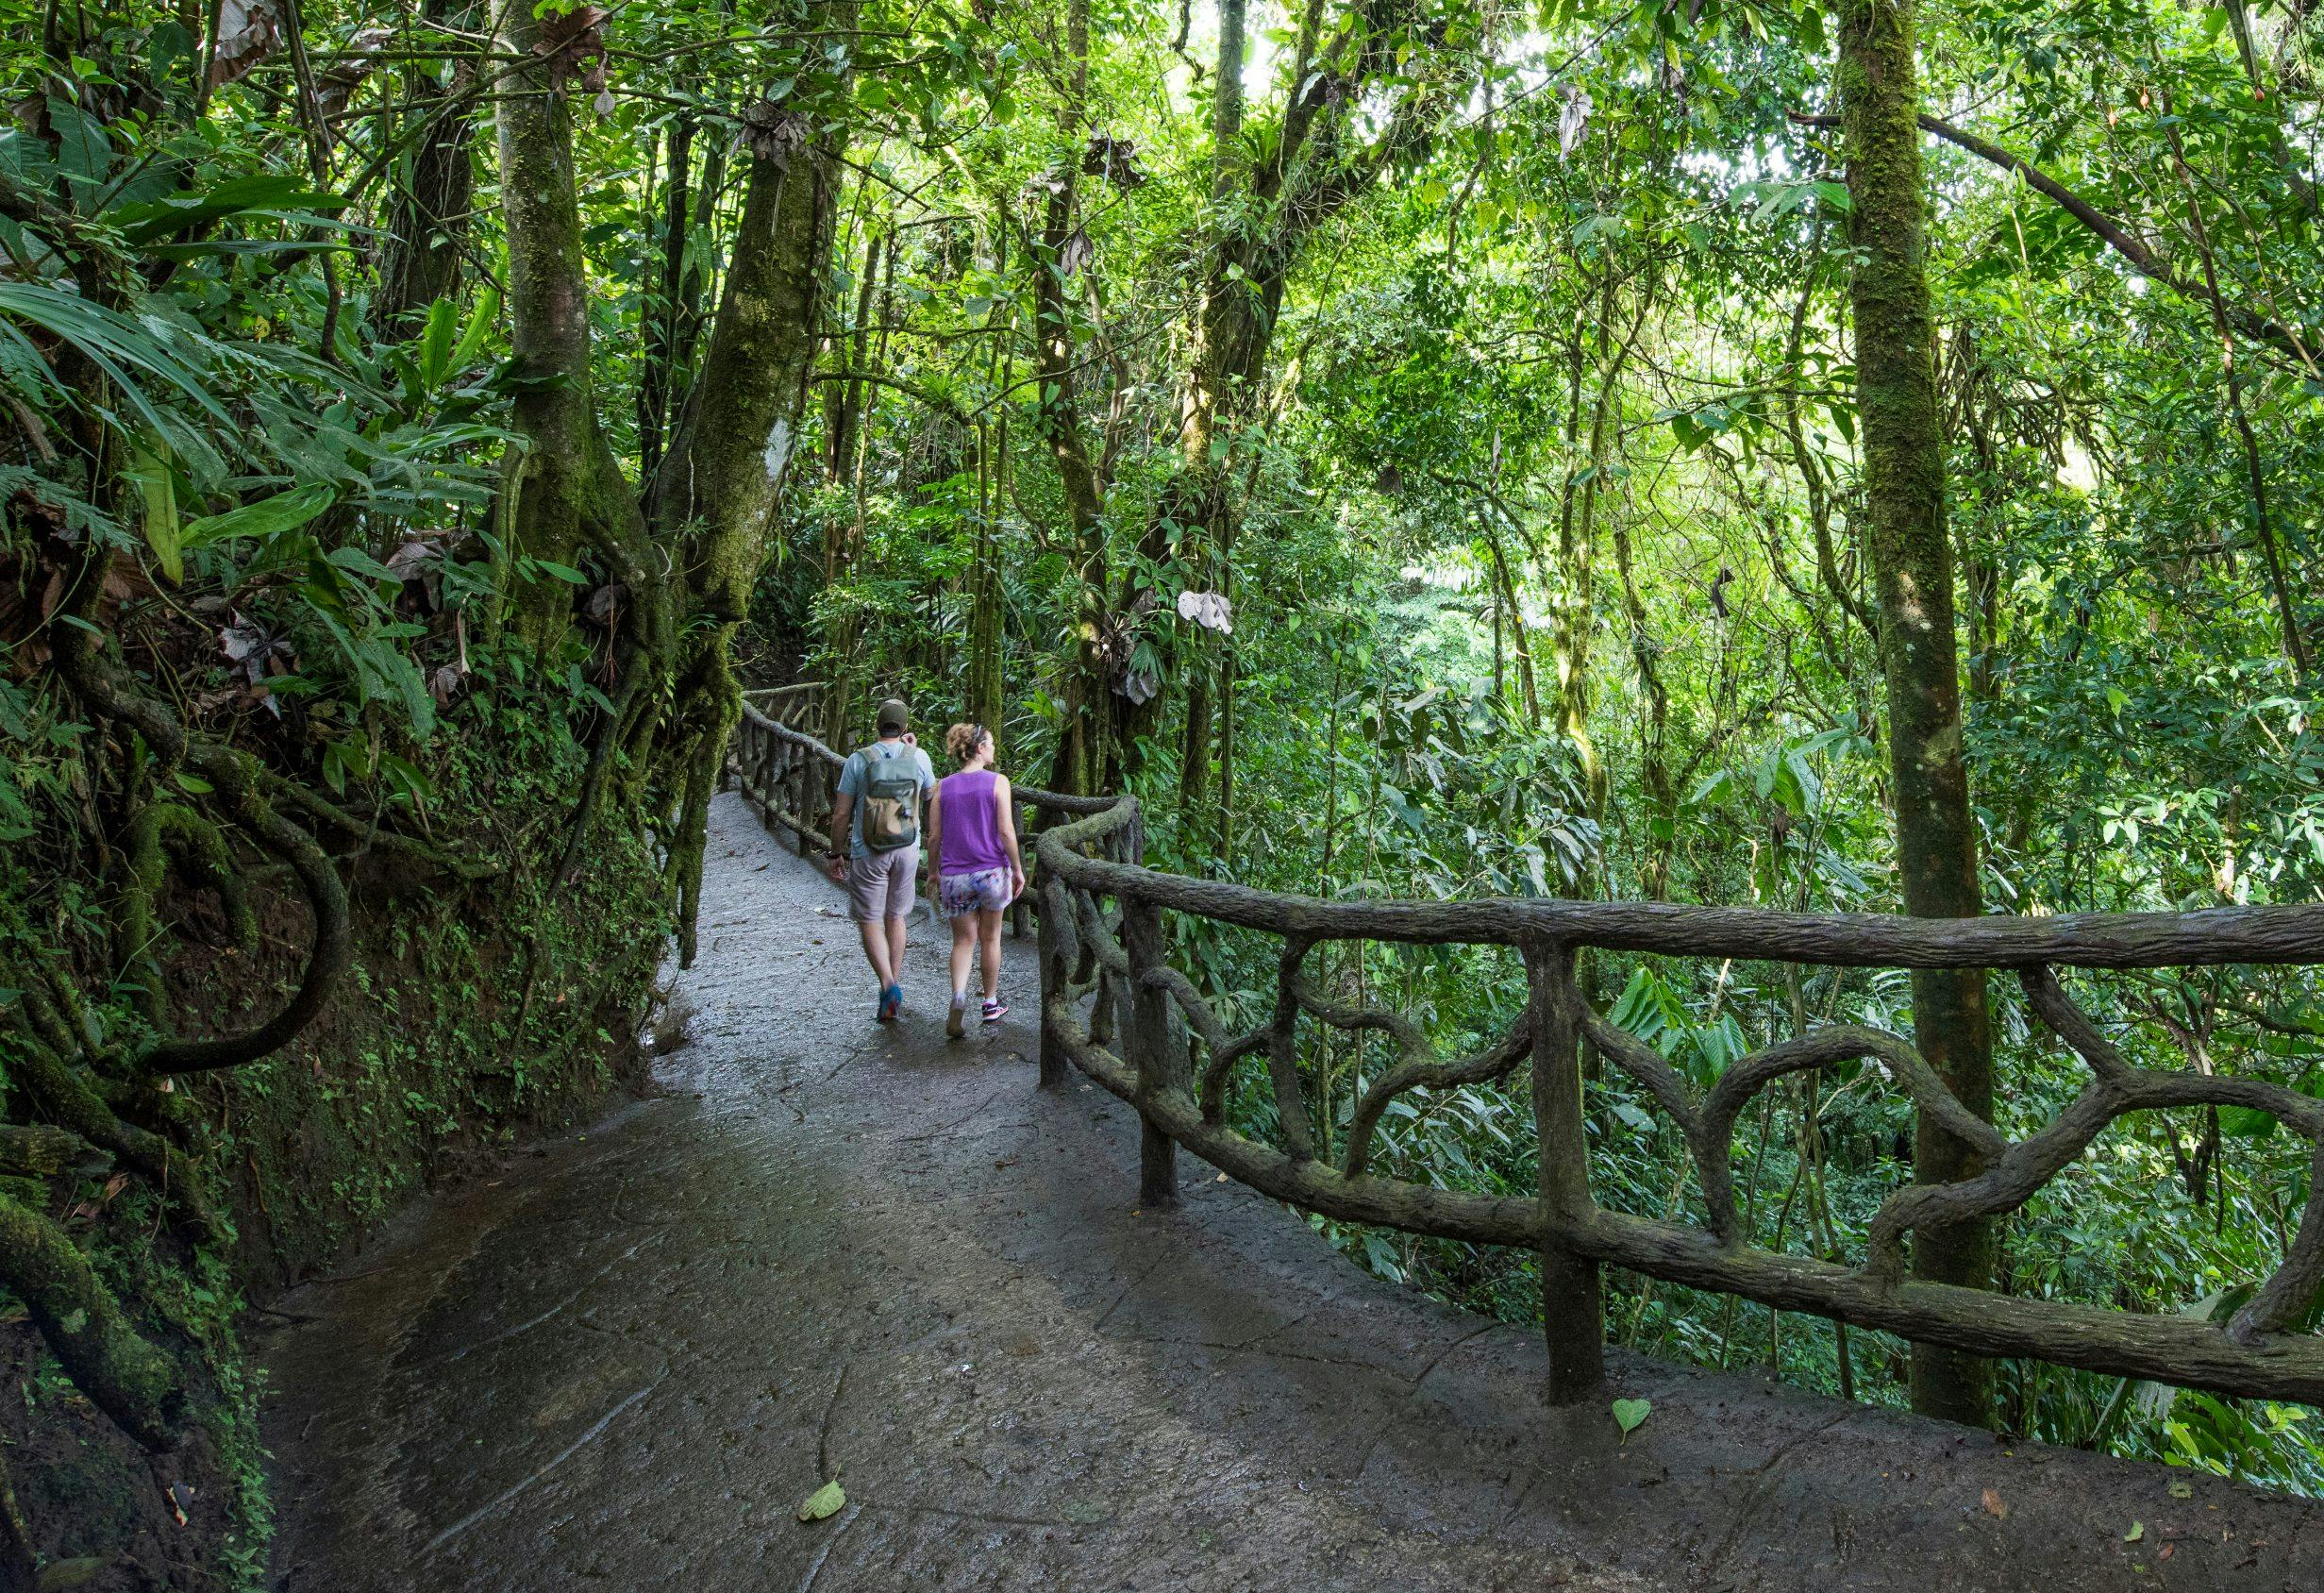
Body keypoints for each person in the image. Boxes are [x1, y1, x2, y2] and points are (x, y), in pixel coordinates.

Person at [827, 697, 936, 1022]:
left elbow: (841, 814)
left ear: (877, 725)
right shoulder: (919, 757)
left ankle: (888, 985)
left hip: (869, 851)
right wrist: (911, 751)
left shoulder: (858, 760)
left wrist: (835, 852)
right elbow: (930, 794)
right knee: (896, 916)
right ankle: (892, 988)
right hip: (907, 848)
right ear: (904, 727)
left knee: (869, 919)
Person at [924, 722, 1027, 1040]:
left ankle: (958, 997)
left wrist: (932, 872)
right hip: (991, 872)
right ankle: (990, 1003)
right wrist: (1018, 868)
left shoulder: (942, 787)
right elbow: (1006, 831)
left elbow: (934, 837)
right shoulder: (998, 782)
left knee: (963, 941)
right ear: (980, 749)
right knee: (991, 937)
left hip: (955, 875)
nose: (994, 749)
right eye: (991, 744)